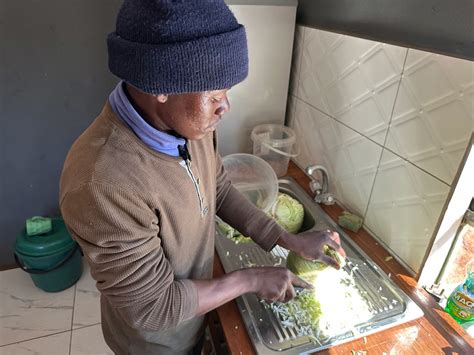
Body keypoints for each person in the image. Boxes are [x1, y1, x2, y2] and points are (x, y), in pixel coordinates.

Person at [59, 1, 346, 354]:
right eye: (214, 93)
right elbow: (153, 308)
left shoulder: (188, 127)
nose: (225, 106)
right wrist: (252, 278)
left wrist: (287, 239)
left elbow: (218, 187)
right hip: (157, 344)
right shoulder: (102, 183)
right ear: (159, 85)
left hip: (196, 312)